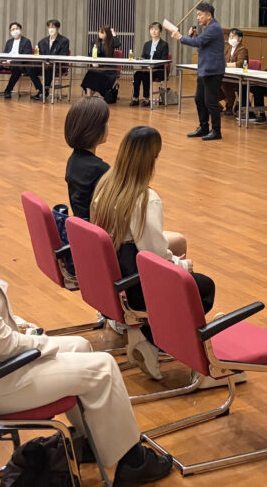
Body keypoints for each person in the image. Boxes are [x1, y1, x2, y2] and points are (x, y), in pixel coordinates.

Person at [0, 180, 173, 484]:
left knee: (81, 346)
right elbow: (4, 347)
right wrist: (43, 341)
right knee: (104, 368)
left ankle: (92, 440)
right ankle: (132, 461)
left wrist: (27, 333)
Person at [90, 127, 214, 376]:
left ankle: (146, 335)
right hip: (137, 286)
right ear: (150, 160)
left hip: (116, 279)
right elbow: (155, 256)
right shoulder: (145, 199)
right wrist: (182, 266)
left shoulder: (105, 185)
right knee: (203, 287)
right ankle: (155, 340)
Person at [171, 2, 224, 140]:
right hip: (205, 70)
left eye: (200, 15)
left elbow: (198, 43)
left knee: (210, 101)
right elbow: (202, 44)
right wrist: (194, 37)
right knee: (199, 99)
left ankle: (216, 131)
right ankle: (204, 127)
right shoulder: (209, 28)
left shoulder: (214, 28)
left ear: (209, 15)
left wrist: (180, 37)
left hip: (213, 70)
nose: (198, 18)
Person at [65, 97, 111, 221]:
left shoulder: (73, 160)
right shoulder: (101, 170)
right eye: (106, 122)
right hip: (94, 229)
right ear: (94, 129)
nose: (108, 126)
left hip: (79, 226)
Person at [0, 22, 44, 100]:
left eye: (16, 29)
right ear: (10, 31)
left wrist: (11, 63)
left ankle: (8, 90)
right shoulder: (9, 42)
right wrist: (3, 62)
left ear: (20, 30)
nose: (15, 31)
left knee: (17, 69)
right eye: (13, 29)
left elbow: (26, 56)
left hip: (18, 64)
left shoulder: (26, 41)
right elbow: (4, 54)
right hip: (6, 63)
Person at [129, 22, 169, 107]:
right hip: (146, 69)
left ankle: (147, 99)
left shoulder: (164, 45)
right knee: (137, 74)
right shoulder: (147, 44)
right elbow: (143, 58)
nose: (153, 31)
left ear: (160, 31)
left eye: (156, 29)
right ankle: (135, 98)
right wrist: (144, 64)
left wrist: (152, 66)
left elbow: (164, 60)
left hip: (158, 69)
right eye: (151, 29)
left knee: (146, 75)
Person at [81, 26, 121, 103]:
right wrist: (93, 62)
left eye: (102, 32)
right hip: (98, 66)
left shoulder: (111, 42)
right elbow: (91, 54)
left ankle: (100, 94)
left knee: (98, 74)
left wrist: (113, 34)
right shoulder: (95, 42)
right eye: (99, 32)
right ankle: (88, 96)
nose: (100, 34)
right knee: (91, 73)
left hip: (109, 68)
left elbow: (117, 44)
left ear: (107, 34)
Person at [33, 19, 71, 97]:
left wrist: (50, 63)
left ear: (57, 28)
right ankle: (42, 90)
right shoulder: (42, 42)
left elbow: (64, 55)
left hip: (57, 66)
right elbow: (39, 55)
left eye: (53, 27)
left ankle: (44, 92)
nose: (51, 29)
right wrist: (44, 63)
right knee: (30, 69)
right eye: (49, 27)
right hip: (43, 65)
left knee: (49, 69)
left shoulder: (64, 41)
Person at [219, 28, 248, 115]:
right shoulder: (228, 48)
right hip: (226, 74)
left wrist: (225, 65)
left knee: (225, 83)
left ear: (240, 38)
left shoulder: (242, 49)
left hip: (237, 77)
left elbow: (240, 64)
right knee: (212, 82)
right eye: (230, 36)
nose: (231, 38)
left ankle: (230, 105)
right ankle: (216, 105)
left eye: (233, 36)